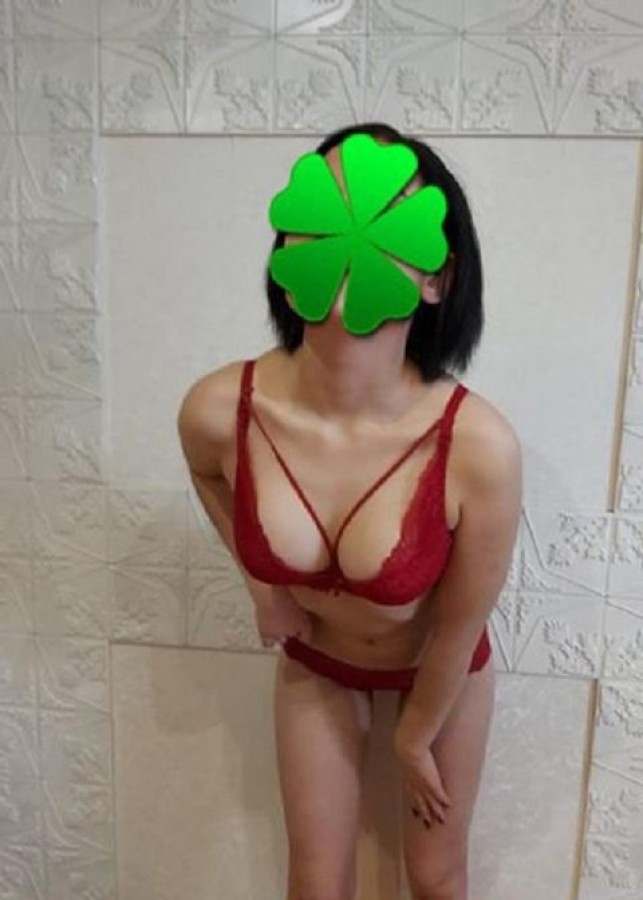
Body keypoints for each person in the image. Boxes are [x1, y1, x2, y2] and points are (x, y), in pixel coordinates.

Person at [177, 121, 522, 900]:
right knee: (315, 883)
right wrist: (264, 589)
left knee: (435, 876)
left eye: (382, 212)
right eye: (327, 208)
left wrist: (413, 737)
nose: (349, 234)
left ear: (436, 276)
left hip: (438, 676)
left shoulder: (477, 445)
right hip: (318, 666)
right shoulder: (219, 408)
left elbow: (459, 623)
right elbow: (206, 473)